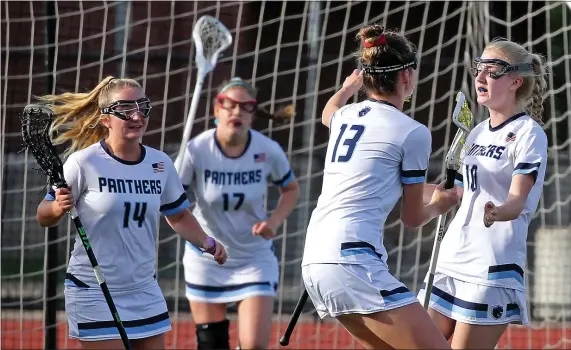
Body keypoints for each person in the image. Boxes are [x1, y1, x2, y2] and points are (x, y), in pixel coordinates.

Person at [35, 76, 227, 349]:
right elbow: (43, 214)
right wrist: (56, 207)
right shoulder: (83, 163)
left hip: (143, 288)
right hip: (95, 289)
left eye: (142, 106)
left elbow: (179, 216)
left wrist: (207, 243)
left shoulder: (159, 164)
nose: (137, 115)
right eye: (126, 108)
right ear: (105, 119)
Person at [300, 25, 460, 349]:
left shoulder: (344, 116)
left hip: (315, 258)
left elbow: (326, 113)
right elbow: (413, 217)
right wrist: (442, 205)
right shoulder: (413, 132)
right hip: (353, 259)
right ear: (406, 78)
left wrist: (347, 88)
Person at [418, 38, 549, 349]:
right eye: (479, 69)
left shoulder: (530, 134)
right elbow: (456, 193)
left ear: (516, 81)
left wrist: (498, 212)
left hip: (490, 267)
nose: (479, 77)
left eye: (492, 71)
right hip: (450, 259)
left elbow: (517, 201)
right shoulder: (476, 132)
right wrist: (398, 182)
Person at [178, 77, 299, 349]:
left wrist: (274, 221)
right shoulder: (196, 149)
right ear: (216, 110)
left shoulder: (267, 150)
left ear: (253, 114)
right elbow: (174, 201)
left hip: (253, 258)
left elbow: (291, 189)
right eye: (229, 105)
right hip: (206, 256)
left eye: (245, 107)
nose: (237, 112)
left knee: (254, 345)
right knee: (212, 344)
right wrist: (200, 238)